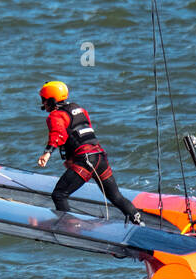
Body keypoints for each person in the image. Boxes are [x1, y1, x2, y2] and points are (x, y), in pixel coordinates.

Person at [36, 80, 142, 225]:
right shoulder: (79, 109)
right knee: (116, 196)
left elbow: (58, 135)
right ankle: (138, 220)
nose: (43, 104)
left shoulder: (55, 116)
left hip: (85, 161)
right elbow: (81, 134)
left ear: (51, 100)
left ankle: (71, 228)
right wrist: (72, 159)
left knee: (59, 195)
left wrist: (47, 153)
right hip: (100, 157)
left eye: (44, 100)